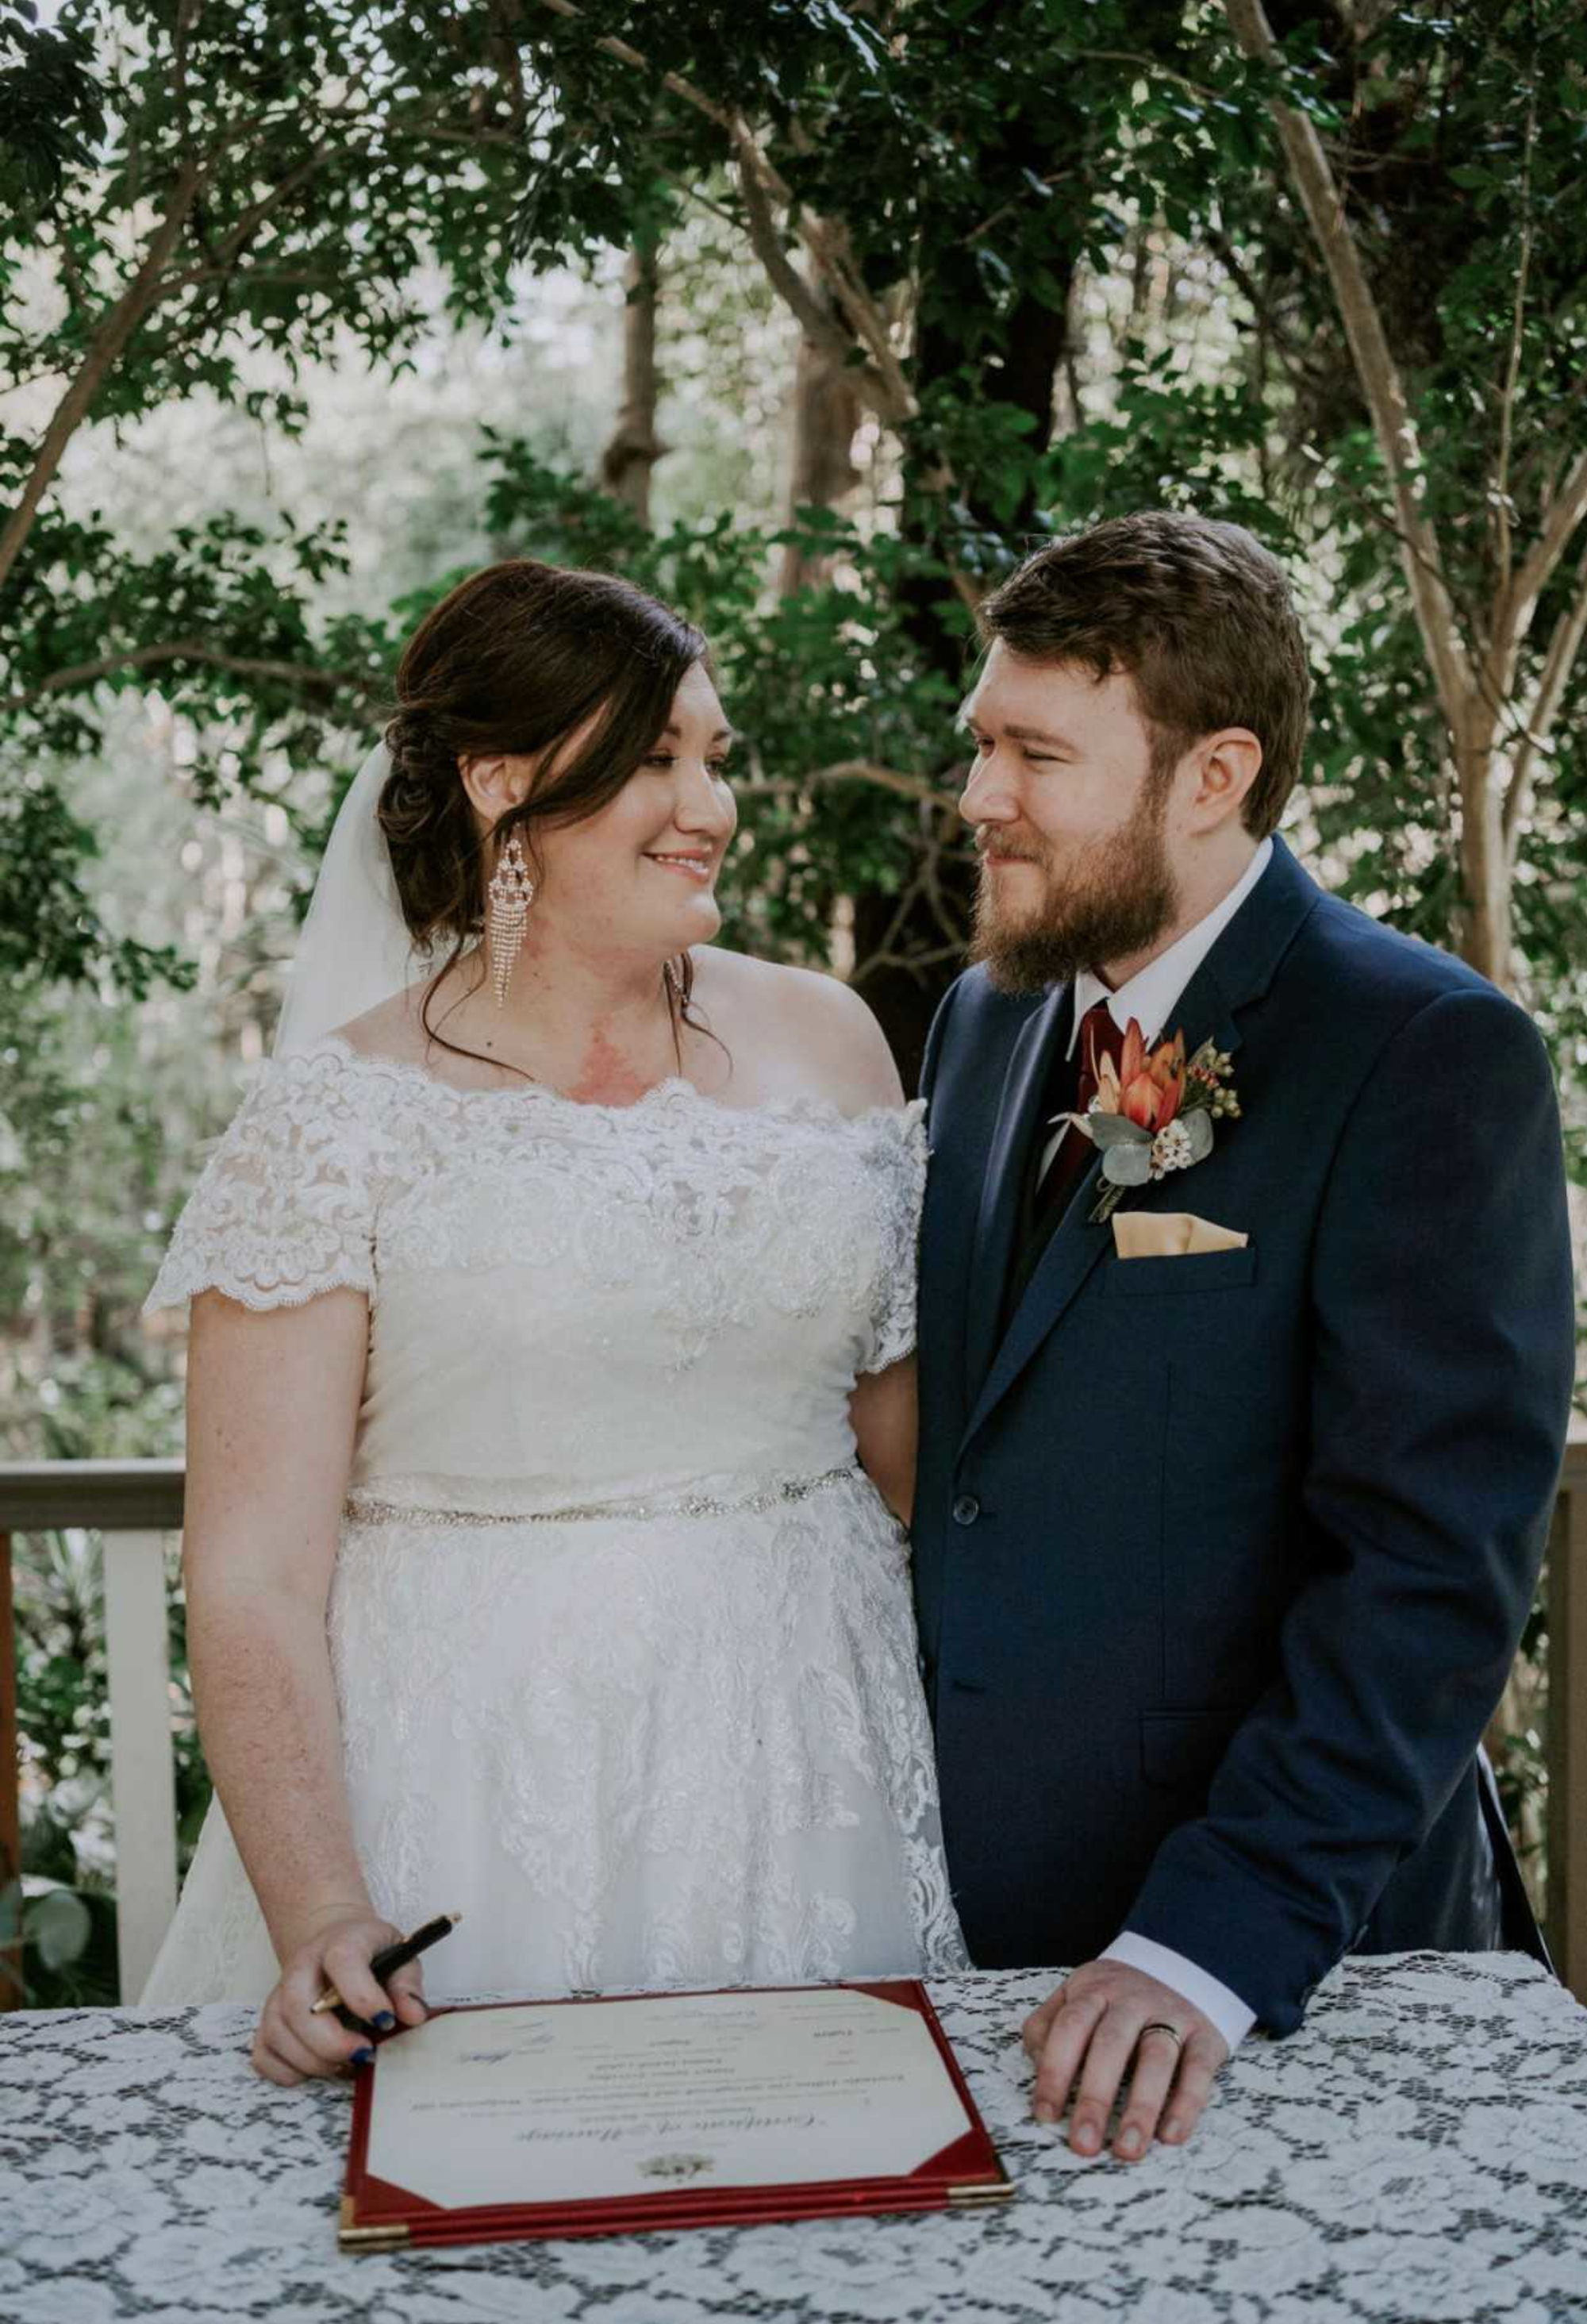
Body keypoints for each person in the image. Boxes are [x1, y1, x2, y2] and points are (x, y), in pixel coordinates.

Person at [140, 557, 967, 2083]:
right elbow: (252, 1569)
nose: (707, 802)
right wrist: (322, 1901)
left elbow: (913, 1456)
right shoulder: (338, 1114)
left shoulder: (833, 1039)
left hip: (808, 1747)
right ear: (501, 782)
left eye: (714, 757)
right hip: (472, 1767)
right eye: (653, 759)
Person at [913, 511, 1575, 2163]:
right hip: (977, 1935)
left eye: (1033, 755)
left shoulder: (1423, 1051)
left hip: (1265, 1965)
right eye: (980, 744)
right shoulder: (989, 1016)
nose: (979, 797)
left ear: (1212, 777)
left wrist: (1211, 1941)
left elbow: (1425, 1572)